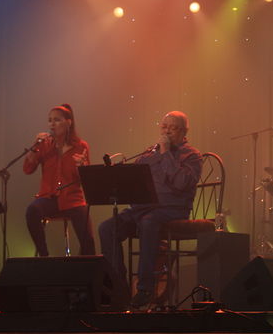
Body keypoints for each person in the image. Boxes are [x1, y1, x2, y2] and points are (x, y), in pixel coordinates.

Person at [98, 111, 202, 309]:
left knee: (149, 221)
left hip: (171, 209)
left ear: (184, 131)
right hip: (142, 208)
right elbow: (134, 179)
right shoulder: (149, 153)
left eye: (173, 127)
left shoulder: (192, 155)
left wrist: (166, 154)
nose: (167, 131)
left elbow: (181, 183)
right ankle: (119, 288)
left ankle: (145, 288)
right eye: (164, 126)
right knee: (107, 228)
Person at [23, 104, 94, 256]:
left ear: (68, 122)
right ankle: (44, 254)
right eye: (50, 120)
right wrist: (34, 147)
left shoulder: (81, 146)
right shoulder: (45, 145)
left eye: (56, 120)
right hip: (49, 198)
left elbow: (86, 181)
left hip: (72, 200)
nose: (52, 124)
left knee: (88, 240)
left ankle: (86, 270)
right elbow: (28, 169)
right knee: (32, 210)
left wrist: (83, 166)